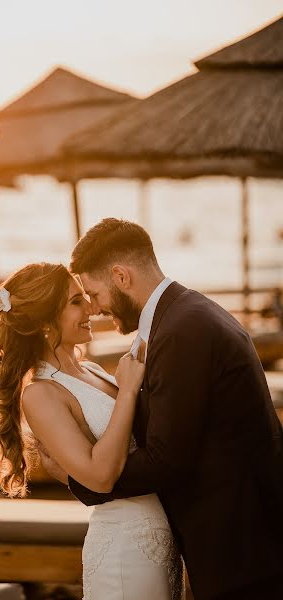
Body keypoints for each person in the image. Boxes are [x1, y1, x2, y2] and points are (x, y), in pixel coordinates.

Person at [40, 218, 283, 600]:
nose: (96, 308)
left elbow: (168, 458)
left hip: (241, 549)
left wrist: (83, 478)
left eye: (95, 293)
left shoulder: (183, 329)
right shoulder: (184, 315)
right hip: (241, 541)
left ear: (121, 276)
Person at [0, 262, 184, 600]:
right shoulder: (42, 393)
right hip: (124, 549)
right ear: (46, 321)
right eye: (76, 302)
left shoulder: (91, 370)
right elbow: (100, 476)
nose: (90, 308)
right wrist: (129, 391)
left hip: (159, 538)